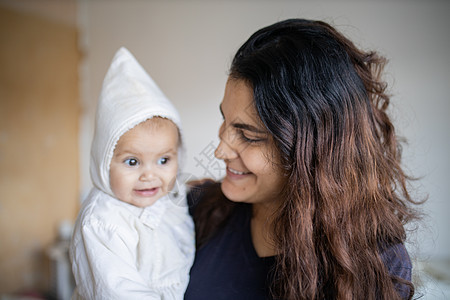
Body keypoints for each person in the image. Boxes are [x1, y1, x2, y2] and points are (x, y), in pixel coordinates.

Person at [184, 19, 422, 300]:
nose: (220, 151)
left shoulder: (375, 264)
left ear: (313, 152)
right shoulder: (200, 209)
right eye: (225, 120)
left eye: (249, 136)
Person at [70, 47, 195, 299]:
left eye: (163, 160)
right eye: (132, 162)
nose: (149, 175)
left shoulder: (169, 198)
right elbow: (118, 291)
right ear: (104, 162)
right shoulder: (102, 221)